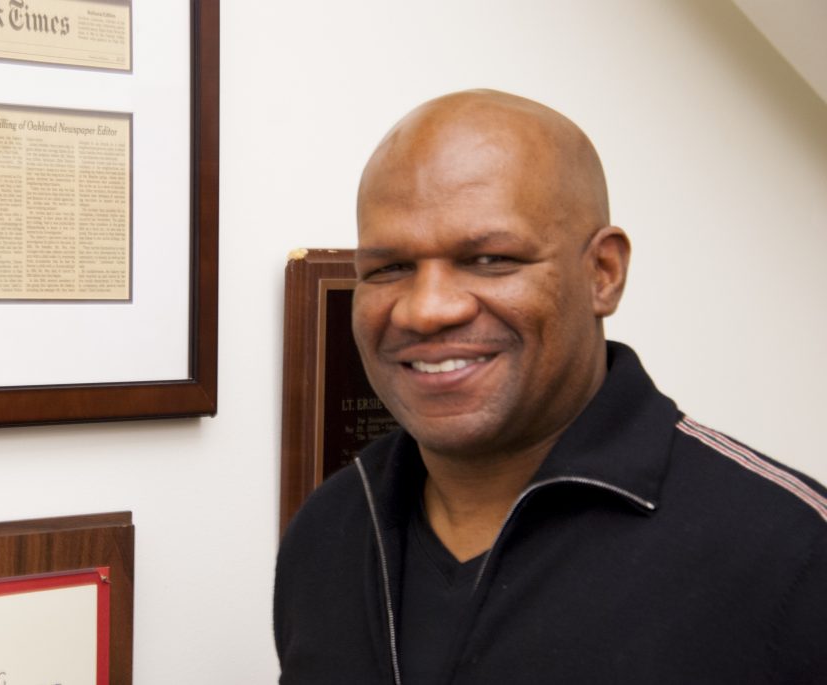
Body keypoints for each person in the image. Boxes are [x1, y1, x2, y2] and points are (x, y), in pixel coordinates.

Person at [274, 90, 827, 684]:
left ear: (603, 274)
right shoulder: (329, 529)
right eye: (389, 268)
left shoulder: (790, 555)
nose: (426, 310)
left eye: (489, 258)